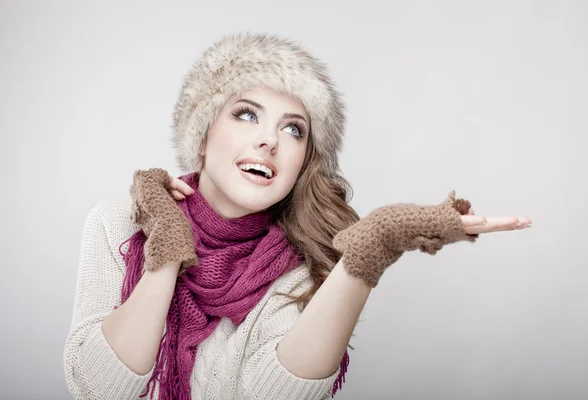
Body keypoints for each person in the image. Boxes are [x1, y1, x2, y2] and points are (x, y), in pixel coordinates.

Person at [63, 32, 532, 400]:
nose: (269, 140)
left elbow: (270, 394)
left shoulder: (298, 265)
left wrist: (374, 247)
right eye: (247, 115)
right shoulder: (118, 225)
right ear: (202, 135)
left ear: (302, 163)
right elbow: (99, 389)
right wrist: (165, 244)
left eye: (293, 129)